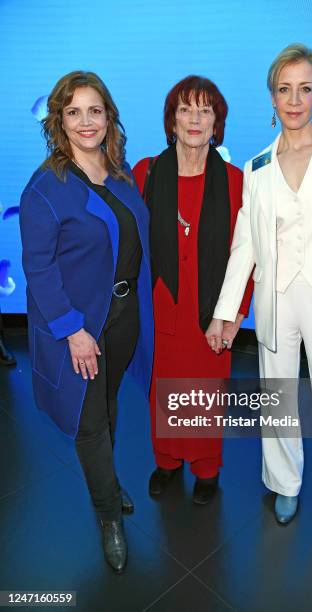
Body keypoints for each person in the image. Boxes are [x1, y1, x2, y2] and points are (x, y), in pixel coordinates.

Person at [206, 44, 312, 551]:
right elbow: (245, 245)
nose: (294, 99)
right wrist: (226, 314)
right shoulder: (258, 167)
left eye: (305, 88)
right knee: (276, 396)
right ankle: (284, 484)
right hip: (276, 302)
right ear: (272, 97)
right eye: (285, 89)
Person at [19, 71, 153, 573]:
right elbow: (38, 267)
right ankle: (108, 517)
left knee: (110, 403)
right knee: (89, 422)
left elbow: (134, 243)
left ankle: (110, 483)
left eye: (93, 110)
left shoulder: (120, 173)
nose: (85, 121)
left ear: (108, 115)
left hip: (123, 317)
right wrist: (73, 331)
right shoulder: (45, 187)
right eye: (73, 112)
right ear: (59, 120)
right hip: (79, 329)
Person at [133, 75, 253, 505]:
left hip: (210, 309)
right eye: (186, 109)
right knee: (161, 388)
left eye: (206, 110)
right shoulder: (146, 172)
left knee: (205, 391)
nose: (196, 118)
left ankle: (205, 468)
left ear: (217, 121)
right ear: (172, 120)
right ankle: (166, 462)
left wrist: (237, 314)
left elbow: (247, 256)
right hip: (160, 305)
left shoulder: (237, 181)